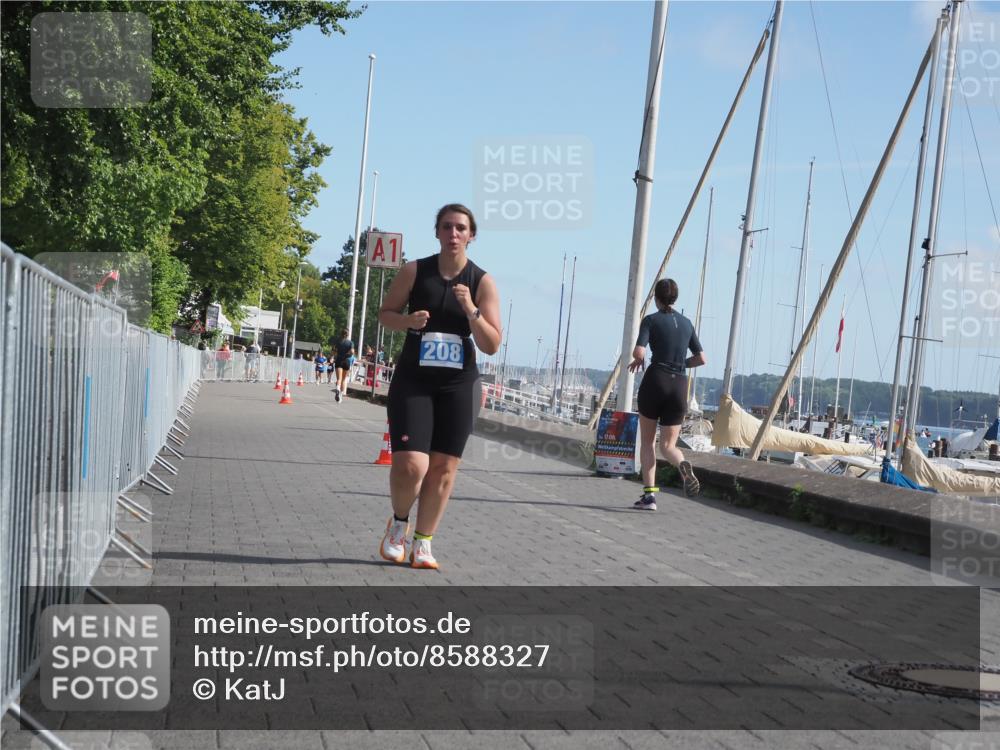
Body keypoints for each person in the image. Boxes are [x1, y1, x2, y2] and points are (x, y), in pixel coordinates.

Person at [376, 204, 501, 569]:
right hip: (415, 378)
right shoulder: (415, 271)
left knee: (445, 467)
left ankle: (424, 543)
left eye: (461, 228)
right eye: (447, 227)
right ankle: (399, 524)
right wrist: (408, 321)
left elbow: (491, 344)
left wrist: (471, 310)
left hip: (458, 383)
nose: (453, 234)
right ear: (437, 232)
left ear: (471, 235)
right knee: (411, 465)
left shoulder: (482, 282)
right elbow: (385, 315)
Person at [627, 278, 706, 510]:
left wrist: (638, 359)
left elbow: (639, 351)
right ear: (675, 298)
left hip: (656, 380)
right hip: (679, 385)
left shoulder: (651, 320)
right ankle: (682, 464)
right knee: (669, 446)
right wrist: (681, 362)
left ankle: (649, 497)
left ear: (656, 298)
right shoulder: (687, 323)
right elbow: (701, 358)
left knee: (649, 443)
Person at [333, 329, 354, 403]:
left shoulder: (337, 342)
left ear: (341, 334)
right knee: (344, 380)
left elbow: (334, 351)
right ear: (348, 335)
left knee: (339, 379)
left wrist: (335, 356)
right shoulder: (350, 343)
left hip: (339, 360)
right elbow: (352, 352)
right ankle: (340, 396)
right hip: (346, 361)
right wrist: (348, 355)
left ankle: (337, 390)